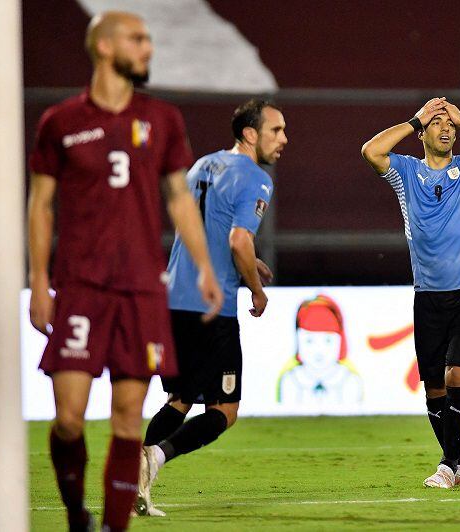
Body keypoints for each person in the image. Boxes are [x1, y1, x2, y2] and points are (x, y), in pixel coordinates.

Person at [27, 11, 222, 531]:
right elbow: (41, 205)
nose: (148, 48)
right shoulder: (60, 122)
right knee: (68, 420)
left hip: (140, 292)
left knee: (128, 421)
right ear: (106, 47)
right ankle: (75, 513)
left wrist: (204, 266)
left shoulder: (162, 120)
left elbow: (179, 196)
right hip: (80, 288)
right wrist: (40, 282)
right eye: (138, 39)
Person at [135, 98, 287, 516]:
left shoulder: (202, 164)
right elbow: (239, 238)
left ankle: (136, 485)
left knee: (179, 399)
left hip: (175, 298)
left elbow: (202, 226)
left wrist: (245, 259)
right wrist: (255, 287)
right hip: (211, 307)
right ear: (250, 134)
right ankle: (156, 457)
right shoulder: (256, 178)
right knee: (224, 410)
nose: (284, 139)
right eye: (276, 130)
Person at [361, 98, 460, 488]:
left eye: (450, 126)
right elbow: (371, 151)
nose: (446, 130)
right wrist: (415, 119)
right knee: (434, 387)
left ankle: (445, 464)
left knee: (458, 372)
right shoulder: (405, 172)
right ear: (423, 132)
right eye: (438, 124)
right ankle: (458, 463)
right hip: (428, 293)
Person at [277, 295, 364, 406]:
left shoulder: (349, 381)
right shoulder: (290, 381)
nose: (319, 350)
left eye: (327, 340)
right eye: (309, 341)